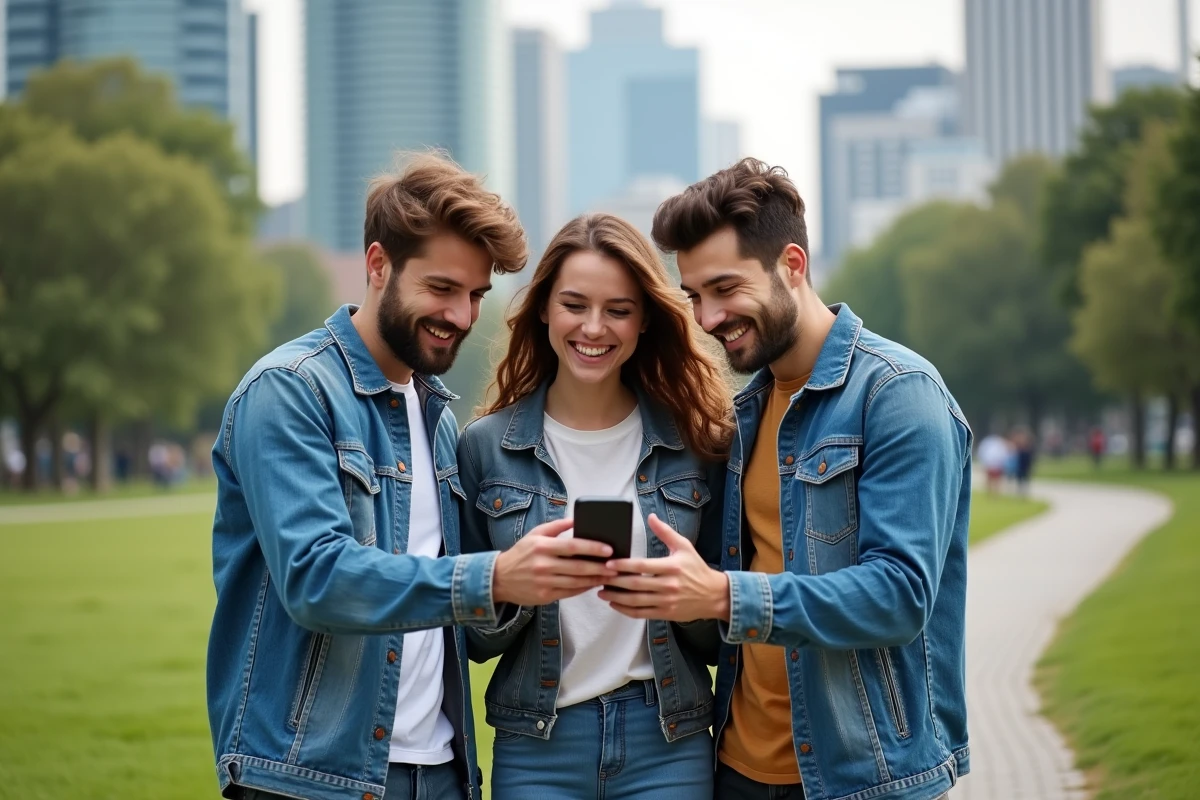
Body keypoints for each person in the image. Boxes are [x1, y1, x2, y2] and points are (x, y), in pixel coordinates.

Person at [207, 154, 614, 800]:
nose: (462, 315)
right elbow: (317, 579)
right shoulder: (290, 391)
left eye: (476, 295)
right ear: (378, 265)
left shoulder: (438, 420)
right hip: (313, 777)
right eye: (442, 288)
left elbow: (462, 626)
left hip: (443, 771)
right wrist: (493, 577)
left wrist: (536, 581)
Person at [595, 158, 970, 800]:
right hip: (737, 769)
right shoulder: (742, 415)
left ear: (791, 265)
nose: (708, 317)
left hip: (863, 778)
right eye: (695, 296)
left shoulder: (897, 395)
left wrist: (724, 596)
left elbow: (900, 596)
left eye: (725, 288)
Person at [458, 213, 731, 799]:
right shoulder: (484, 448)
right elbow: (471, 643)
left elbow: (718, 641)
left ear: (644, 320)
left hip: (667, 741)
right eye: (574, 304)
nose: (593, 327)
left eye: (618, 310)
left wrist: (687, 600)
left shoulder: (695, 445)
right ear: (543, 309)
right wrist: (514, 587)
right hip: (538, 747)